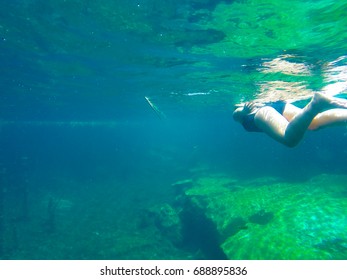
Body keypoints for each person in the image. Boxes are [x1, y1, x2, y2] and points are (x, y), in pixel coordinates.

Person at [233, 92, 347, 147]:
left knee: (290, 139)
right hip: (278, 105)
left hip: (259, 115)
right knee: (313, 123)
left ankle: (316, 104)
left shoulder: (240, 111)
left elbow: (236, 114)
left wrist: (243, 111)